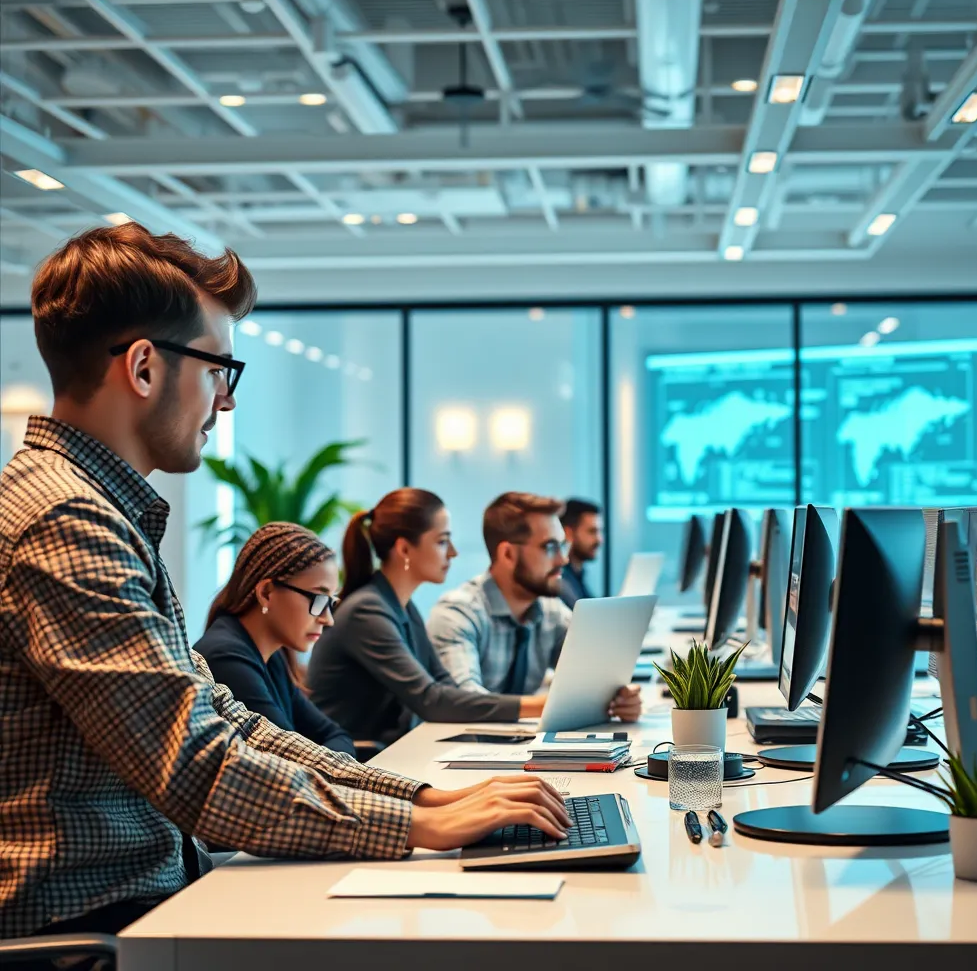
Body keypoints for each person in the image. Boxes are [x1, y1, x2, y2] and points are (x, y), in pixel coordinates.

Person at [0, 224, 570, 941]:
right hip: (87, 934)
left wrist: (426, 799)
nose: (226, 401)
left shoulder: (98, 511)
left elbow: (230, 723)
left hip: (138, 911)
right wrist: (419, 825)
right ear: (143, 368)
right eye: (218, 370)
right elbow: (196, 766)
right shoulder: (65, 520)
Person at [307, 489, 541, 745]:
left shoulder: (402, 606)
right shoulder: (366, 611)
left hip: (390, 751)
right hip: (352, 758)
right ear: (404, 549)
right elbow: (430, 700)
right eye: (442, 541)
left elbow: (444, 685)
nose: (453, 552)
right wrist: (537, 706)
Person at [427, 492, 641, 720]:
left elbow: (595, 678)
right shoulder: (458, 613)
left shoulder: (550, 612)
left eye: (562, 546)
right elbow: (464, 700)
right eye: (549, 547)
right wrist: (546, 706)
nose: (562, 560)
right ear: (508, 554)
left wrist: (620, 699)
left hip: (518, 738)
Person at [194, 522, 355, 757]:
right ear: (266, 593)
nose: (327, 619)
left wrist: (327, 760)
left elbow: (335, 734)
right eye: (318, 599)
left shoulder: (272, 655)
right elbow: (294, 761)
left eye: (330, 602)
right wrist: (330, 761)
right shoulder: (226, 658)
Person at [559, 498, 603, 609]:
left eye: (600, 531)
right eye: (592, 531)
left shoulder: (579, 575)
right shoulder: (560, 579)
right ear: (568, 533)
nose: (599, 539)